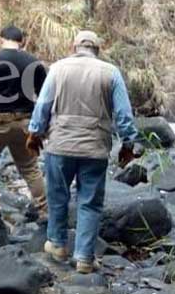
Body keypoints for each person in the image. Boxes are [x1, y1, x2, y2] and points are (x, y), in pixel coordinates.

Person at [27, 30, 140, 274]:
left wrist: (34, 133)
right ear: (97, 49)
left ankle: (57, 244)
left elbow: (43, 105)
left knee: (58, 195)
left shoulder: (58, 68)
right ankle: (85, 259)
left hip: (60, 144)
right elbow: (123, 114)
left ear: (73, 47)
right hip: (95, 148)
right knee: (89, 203)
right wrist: (128, 144)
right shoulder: (111, 73)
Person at [0, 25, 48, 222]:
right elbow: (44, 95)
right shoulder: (33, 62)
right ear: (21, 41)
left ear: (2, 39)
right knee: (30, 168)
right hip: (24, 122)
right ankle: (44, 210)